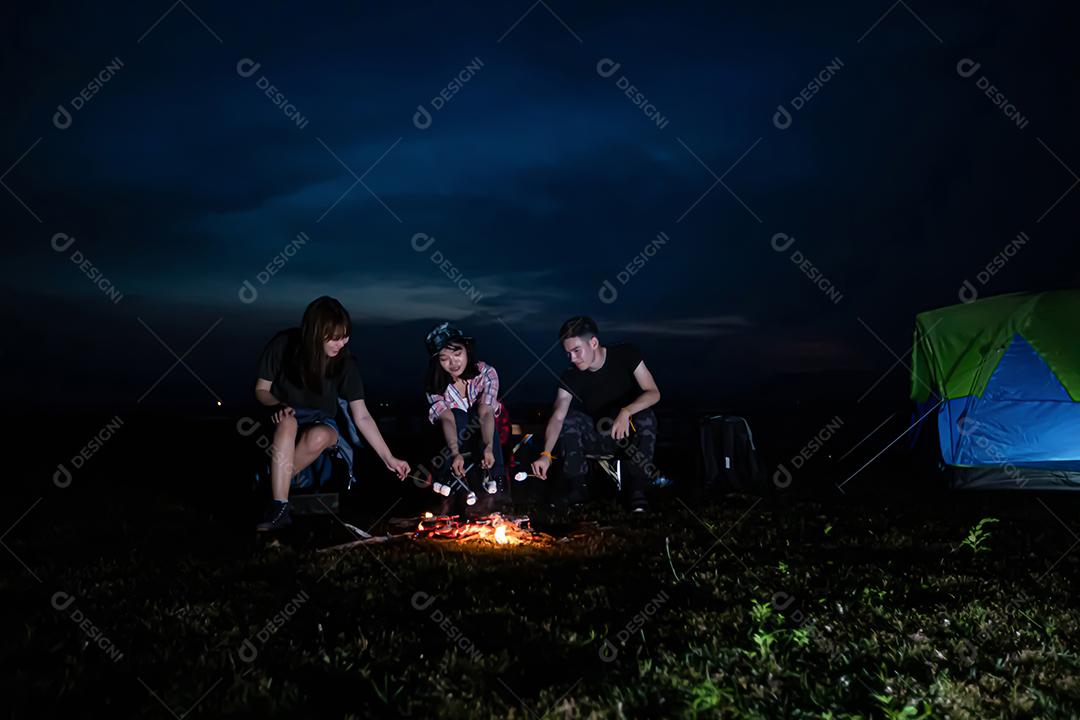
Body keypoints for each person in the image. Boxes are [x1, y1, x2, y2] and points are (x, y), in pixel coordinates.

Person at [254, 296, 410, 531]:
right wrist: (277, 405)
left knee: (319, 435)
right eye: (335, 338)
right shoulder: (283, 344)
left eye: (345, 335)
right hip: (284, 416)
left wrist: (389, 457)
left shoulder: (345, 363)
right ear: (316, 333)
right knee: (287, 424)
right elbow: (261, 390)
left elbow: (362, 415)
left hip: (322, 423)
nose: (342, 343)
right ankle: (280, 508)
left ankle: (272, 486)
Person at [531, 316, 660, 512]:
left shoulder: (626, 354)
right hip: (600, 438)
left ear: (593, 343)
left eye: (576, 351)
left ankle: (637, 490)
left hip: (630, 436)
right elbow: (558, 416)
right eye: (568, 354)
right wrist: (546, 454)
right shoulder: (571, 376)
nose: (573, 358)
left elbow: (653, 392)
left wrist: (626, 412)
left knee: (646, 416)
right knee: (570, 417)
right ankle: (579, 489)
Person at [423, 322, 506, 498]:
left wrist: (488, 446)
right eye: (444, 358)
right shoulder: (435, 385)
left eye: (457, 353)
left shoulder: (486, 373)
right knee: (457, 414)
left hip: (485, 432)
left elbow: (485, 411)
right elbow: (447, 419)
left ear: (467, 349)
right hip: (452, 438)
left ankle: (496, 478)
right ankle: (447, 479)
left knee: (479, 411)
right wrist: (455, 453)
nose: (453, 363)